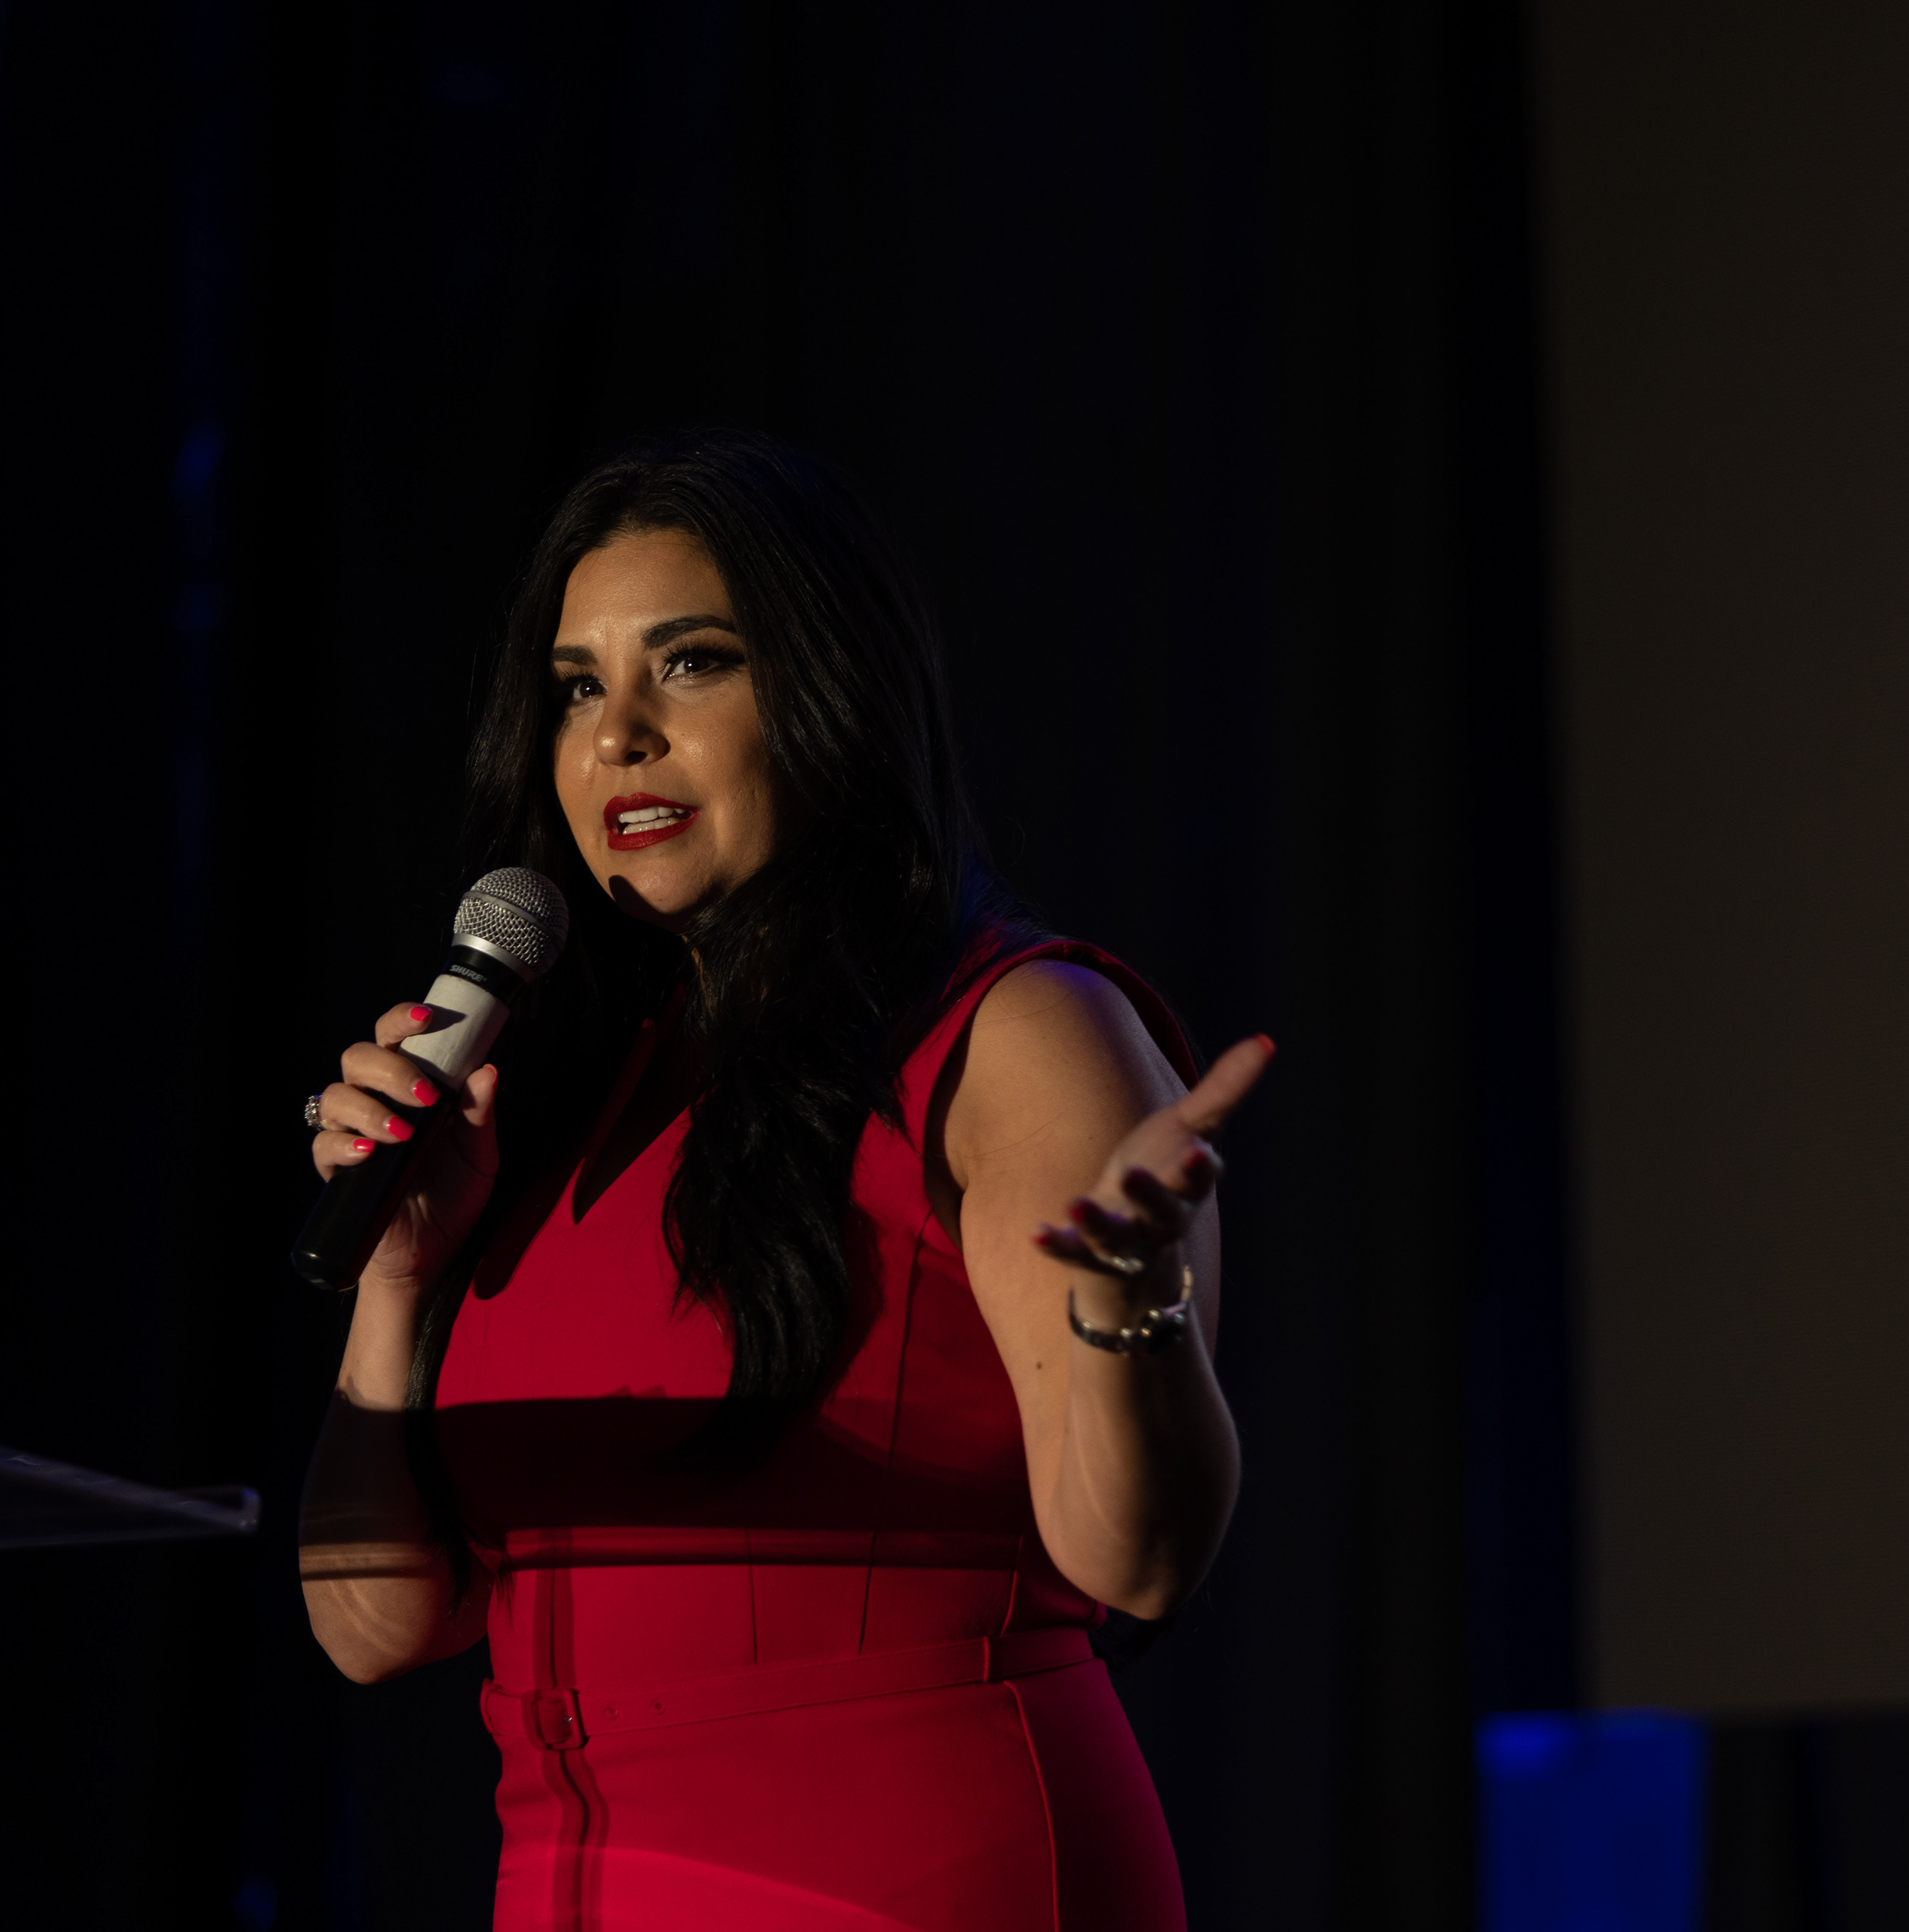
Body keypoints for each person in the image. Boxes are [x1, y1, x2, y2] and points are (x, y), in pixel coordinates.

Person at [295, 432, 1264, 1931]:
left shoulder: (1014, 1031)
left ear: (828, 694)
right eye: (576, 687)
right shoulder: (556, 1096)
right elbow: (372, 1626)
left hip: (909, 1876)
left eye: (690, 665)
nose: (618, 736)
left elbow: (1134, 1562)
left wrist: (1131, 1312)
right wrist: (394, 1281)